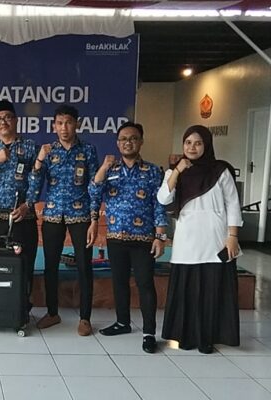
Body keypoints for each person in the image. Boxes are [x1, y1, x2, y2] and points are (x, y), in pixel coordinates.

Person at [157, 125, 242, 354]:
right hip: (187, 242)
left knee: (211, 292)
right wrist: (177, 171)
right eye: (188, 143)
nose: (192, 147)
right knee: (187, 291)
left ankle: (207, 338)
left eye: (198, 143)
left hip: (215, 239)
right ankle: (185, 336)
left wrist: (233, 236)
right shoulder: (174, 171)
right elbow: (163, 198)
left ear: (207, 145)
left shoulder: (220, 171)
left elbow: (233, 204)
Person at [89, 122, 167, 353]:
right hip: (116, 236)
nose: (128, 142)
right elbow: (93, 192)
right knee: (119, 282)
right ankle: (122, 322)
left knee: (145, 284)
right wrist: (103, 168)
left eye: (133, 138)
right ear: (117, 143)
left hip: (143, 239)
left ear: (141, 142)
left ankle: (149, 332)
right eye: (123, 139)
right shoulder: (110, 170)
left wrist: (160, 236)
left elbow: (159, 205)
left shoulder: (152, 171)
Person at [28, 105, 97, 335]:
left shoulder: (88, 150)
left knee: (84, 266)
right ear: (54, 126)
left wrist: (94, 218)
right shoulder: (49, 151)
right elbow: (34, 187)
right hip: (53, 214)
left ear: (77, 124)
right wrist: (39, 161)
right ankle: (52, 312)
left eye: (68, 122)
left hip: (80, 215)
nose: (64, 127)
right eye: (59, 123)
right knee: (50, 265)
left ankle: (85, 318)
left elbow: (95, 187)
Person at [0, 100, 39, 310]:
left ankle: (22, 308)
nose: (3, 122)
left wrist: (28, 205)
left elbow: (37, 178)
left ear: (16, 120)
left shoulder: (30, 147)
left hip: (22, 216)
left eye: (8, 117)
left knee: (24, 263)